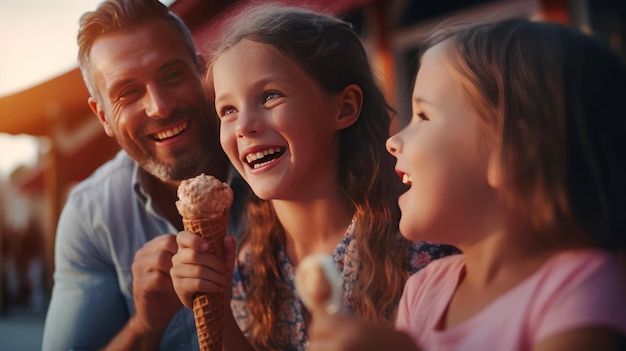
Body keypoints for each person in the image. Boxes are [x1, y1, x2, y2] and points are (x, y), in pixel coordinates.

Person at [307, 18, 626, 351]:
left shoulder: (583, 285)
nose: (394, 141)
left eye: (423, 116)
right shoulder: (425, 289)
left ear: (513, 151)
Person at [170, 4, 459, 351]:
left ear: (344, 108)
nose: (245, 125)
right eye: (227, 110)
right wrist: (214, 300)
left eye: (269, 96)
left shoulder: (421, 249)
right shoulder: (250, 266)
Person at [41, 0, 247, 350]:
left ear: (202, 72)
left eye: (172, 74)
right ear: (103, 116)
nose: (160, 106)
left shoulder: (274, 166)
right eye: (128, 93)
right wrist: (144, 324)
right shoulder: (92, 214)